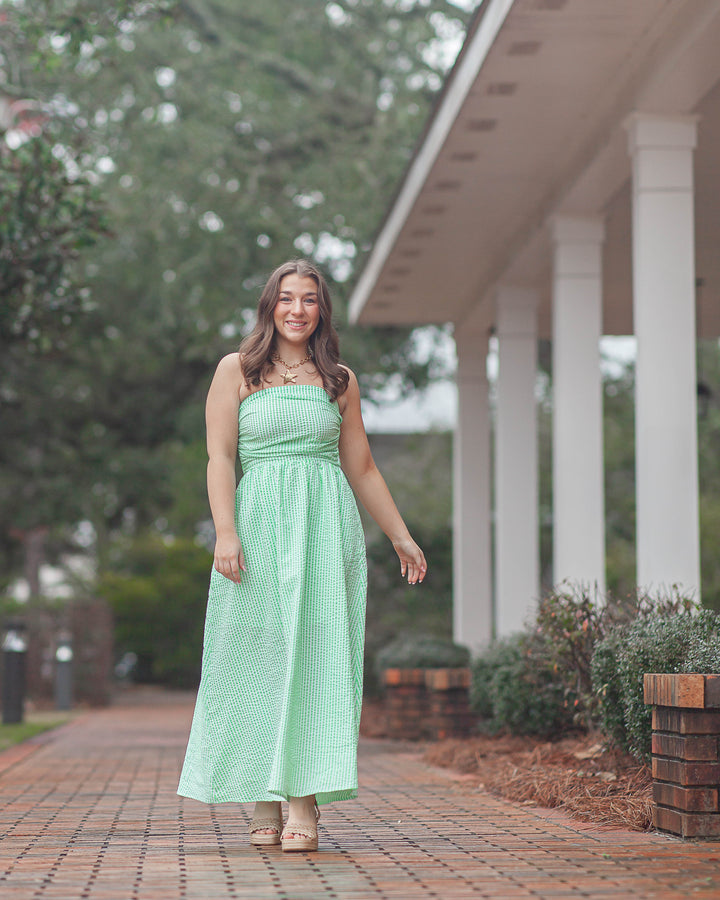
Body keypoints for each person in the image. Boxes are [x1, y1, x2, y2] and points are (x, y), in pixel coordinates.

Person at [177, 259, 426, 852]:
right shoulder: (236, 371)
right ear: (270, 306)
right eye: (286, 298)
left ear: (322, 310)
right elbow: (220, 460)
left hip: (324, 530)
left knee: (316, 658)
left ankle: (303, 802)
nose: (296, 309)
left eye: (309, 299)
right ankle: (261, 794)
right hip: (257, 526)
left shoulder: (339, 379)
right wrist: (226, 533)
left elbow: (361, 466)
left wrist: (400, 534)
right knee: (252, 657)